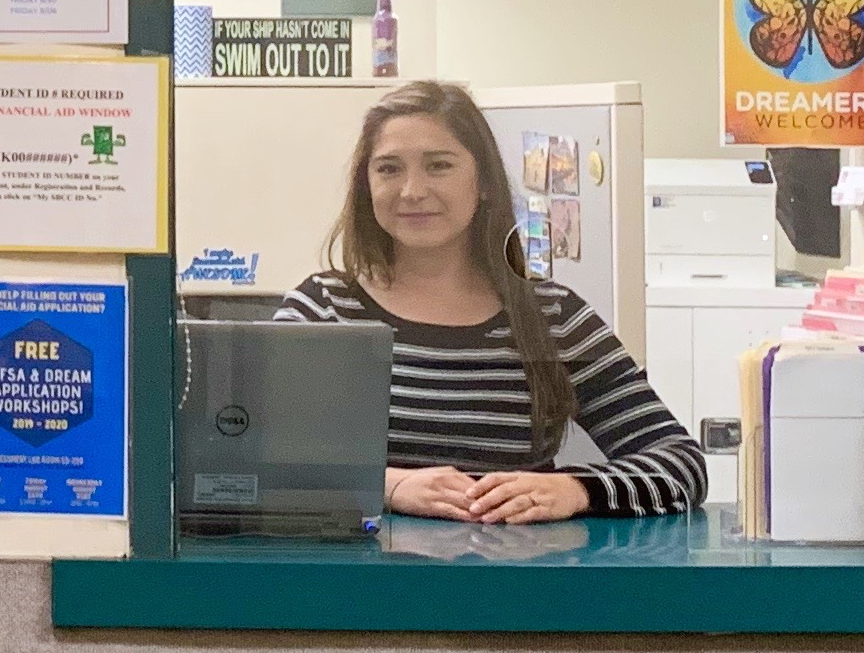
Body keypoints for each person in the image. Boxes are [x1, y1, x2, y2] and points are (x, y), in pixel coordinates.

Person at [275, 79, 706, 523]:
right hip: (359, 569)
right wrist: (387, 486)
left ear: (484, 183)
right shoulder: (323, 311)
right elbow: (251, 464)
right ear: (366, 186)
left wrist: (577, 489)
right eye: (389, 169)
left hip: (517, 567)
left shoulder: (553, 316)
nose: (412, 190)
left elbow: (681, 464)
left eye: (439, 166)